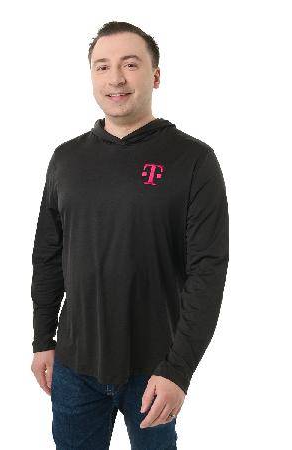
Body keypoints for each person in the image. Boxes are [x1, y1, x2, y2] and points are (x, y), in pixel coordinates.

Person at [30, 20, 229, 449]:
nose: (115, 78)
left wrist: (178, 370)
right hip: (74, 366)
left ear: (155, 76)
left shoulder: (193, 160)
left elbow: (208, 272)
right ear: (91, 77)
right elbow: (47, 255)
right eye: (102, 66)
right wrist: (42, 338)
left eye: (130, 64)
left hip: (155, 369)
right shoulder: (66, 159)